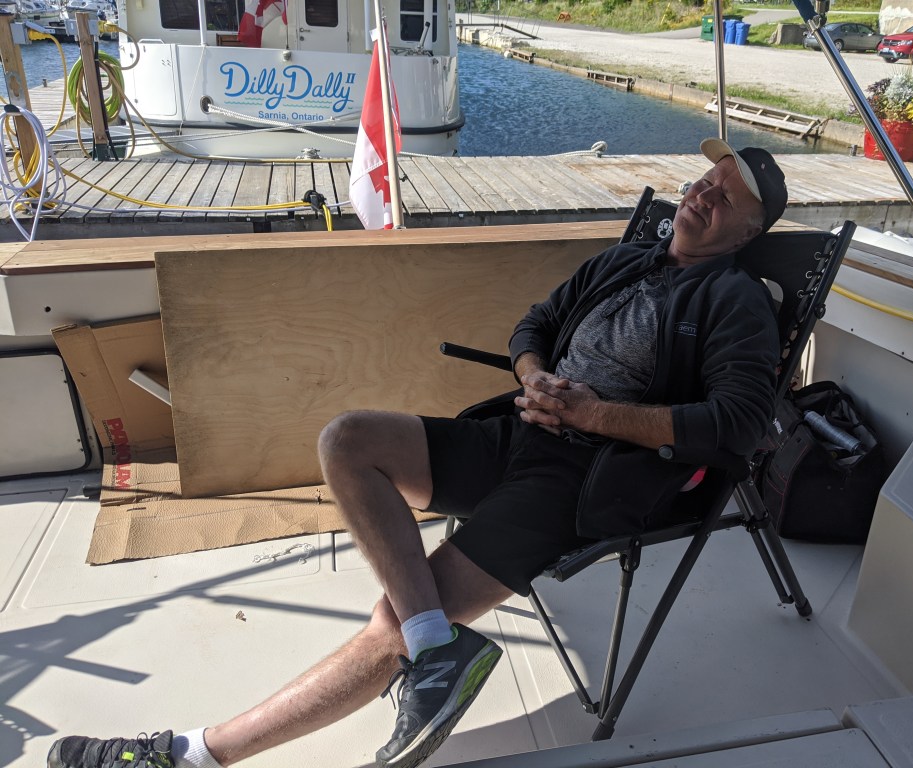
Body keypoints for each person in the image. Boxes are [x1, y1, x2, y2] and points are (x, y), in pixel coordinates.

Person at [47, 138, 788, 768]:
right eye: (704, 180)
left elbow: (739, 423)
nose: (701, 195)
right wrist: (534, 376)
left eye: (723, 197)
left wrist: (591, 413)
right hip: (521, 432)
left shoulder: (735, 300)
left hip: (586, 479)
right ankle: (437, 649)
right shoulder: (626, 260)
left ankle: (188, 755)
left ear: (746, 233)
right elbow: (534, 325)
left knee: (390, 621)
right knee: (349, 439)